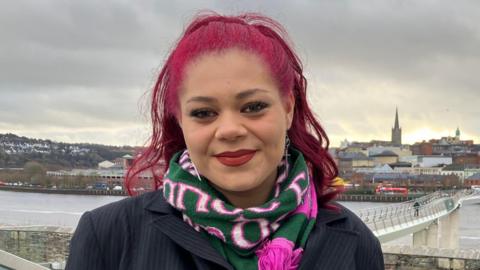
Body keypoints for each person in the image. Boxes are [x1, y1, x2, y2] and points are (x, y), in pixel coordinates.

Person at [66, 12, 384, 270]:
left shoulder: (355, 243)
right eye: (204, 112)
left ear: (288, 109)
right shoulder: (109, 235)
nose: (229, 129)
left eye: (254, 107)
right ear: (180, 121)